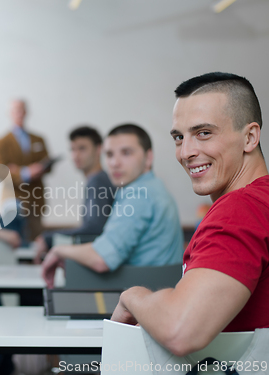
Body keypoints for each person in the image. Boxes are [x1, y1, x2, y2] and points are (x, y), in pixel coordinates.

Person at [111, 72, 269, 356]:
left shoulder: (239, 210)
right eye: (178, 137)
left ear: (250, 137)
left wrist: (132, 297)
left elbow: (181, 330)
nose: (186, 152)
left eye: (203, 133)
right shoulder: (260, 200)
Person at [42, 123, 183, 288]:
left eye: (126, 153)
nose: (115, 163)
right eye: (109, 154)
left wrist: (59, 249)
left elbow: (101, 259)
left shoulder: (139, 195)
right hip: (157, 293)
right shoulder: (154, 188)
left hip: (145, 299)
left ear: (148, 157)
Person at [34, 125, 114, 262]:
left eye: (82, 148)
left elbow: (94, 228)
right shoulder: (97, 180)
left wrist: (48, 238)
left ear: (99, 149)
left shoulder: (98, 181)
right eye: (72, 149)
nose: (75, 155)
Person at [0, 99, 51, 241]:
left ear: (26, 112)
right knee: (14, 240)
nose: (19, 113)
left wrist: (35, 169)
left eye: (21, 109)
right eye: (15, 110)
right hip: (13, 199)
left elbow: (47, 163)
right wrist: (25, 172)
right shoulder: (2, 142)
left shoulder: (39, 139)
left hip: (35, 200)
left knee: (36, 241)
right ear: (10, 113)